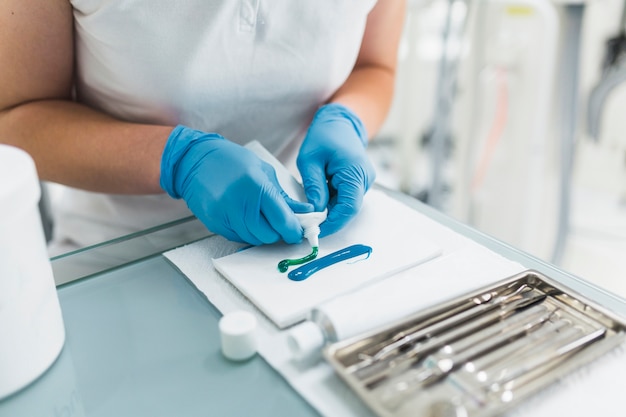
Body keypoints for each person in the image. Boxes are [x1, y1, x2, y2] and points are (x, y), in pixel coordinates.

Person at [0, 0, 406, 251]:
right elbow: (15, 119)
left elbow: (375, 66)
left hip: (298, 244)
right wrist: (177, 160)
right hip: (122, 250)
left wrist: (349, 119)